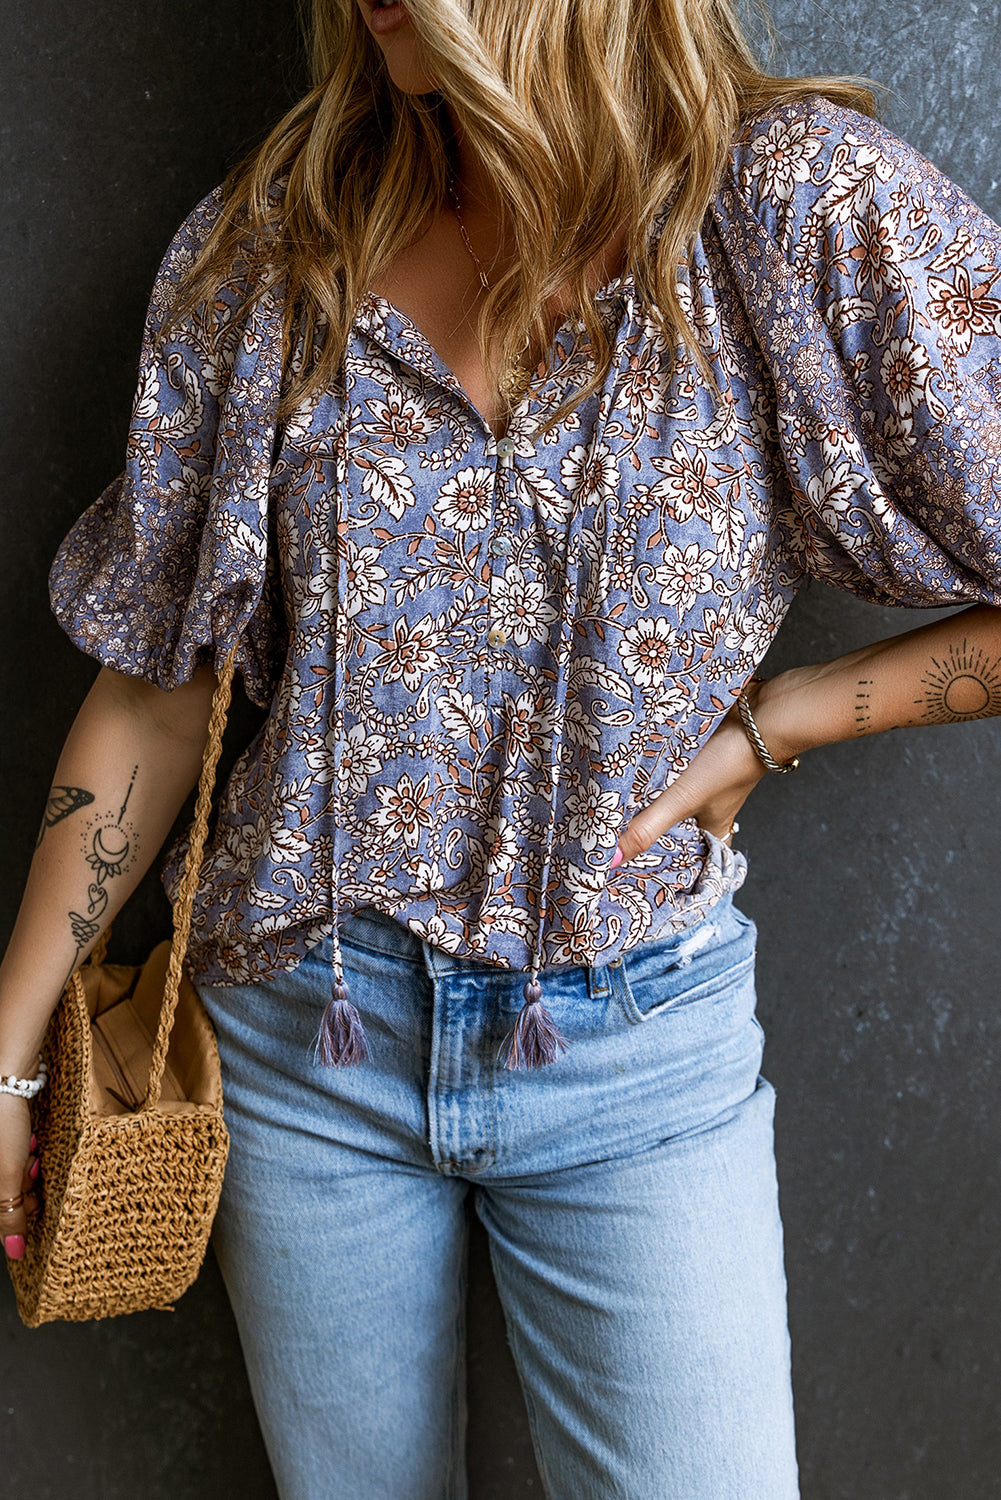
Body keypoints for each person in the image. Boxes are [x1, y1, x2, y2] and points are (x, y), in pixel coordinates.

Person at [3, 0, 1001, 1493]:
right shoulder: (283, 240)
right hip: (301, 1044)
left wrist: (775, 723)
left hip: (635, 1053)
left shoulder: (795, 211)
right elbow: (158, 684)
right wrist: (9, 1052)